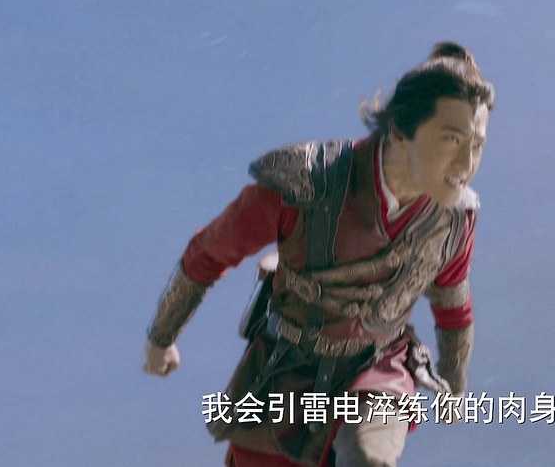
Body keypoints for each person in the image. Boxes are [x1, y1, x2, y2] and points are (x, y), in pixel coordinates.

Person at [143, 41, 495, 467]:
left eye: (477, 144)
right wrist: (161, 339)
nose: (467, 163)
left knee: (369, 458)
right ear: (401, 132)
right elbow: (209, 252)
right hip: (285, 371)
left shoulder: (455, 217)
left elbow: (453, 303)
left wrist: (454, 386)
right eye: (451, 139)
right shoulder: (306, 184)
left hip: (378, 369)